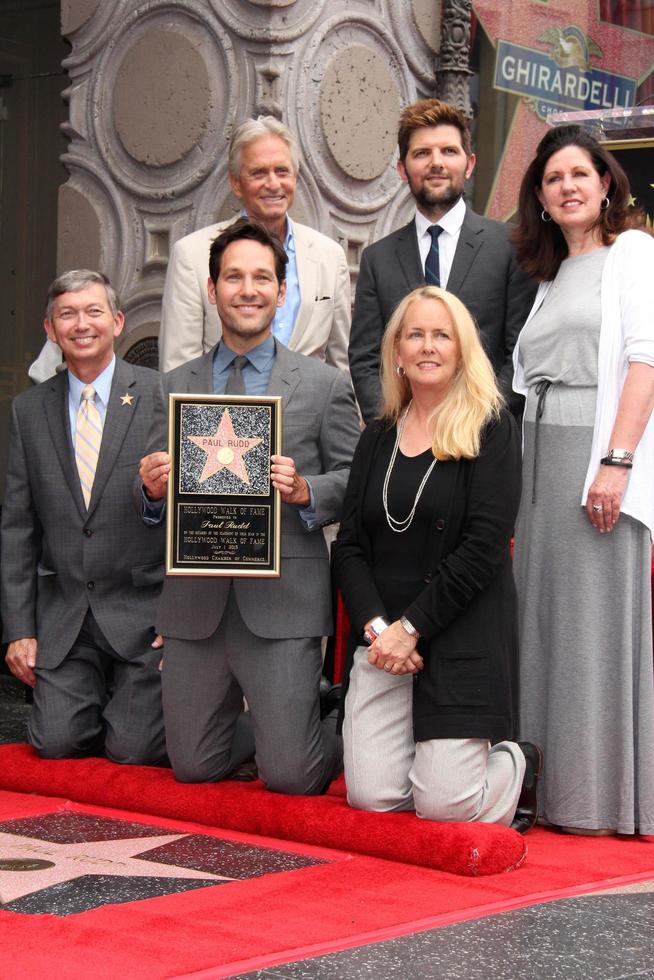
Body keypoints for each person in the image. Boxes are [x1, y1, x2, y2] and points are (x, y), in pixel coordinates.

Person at [138, 218, 361, 794]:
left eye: (262, 277)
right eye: (233, 277)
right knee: (191, 765)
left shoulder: (321, 384)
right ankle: (267, 731)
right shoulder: (173, 386)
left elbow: (354, 480)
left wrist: (308, 489)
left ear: (282, 292)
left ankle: (342, 731)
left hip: (283, 601)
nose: (248, 289)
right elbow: (152, 497)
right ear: (210, 291)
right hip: (196, 605)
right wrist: (151, 490)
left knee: (291, 776)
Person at [333, 285, 539, 829]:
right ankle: (438, 767)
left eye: (441, 335)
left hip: (458, 633)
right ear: (397, 352)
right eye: (415, 334)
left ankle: (518, 761)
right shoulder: (376, 437)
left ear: (461, 349)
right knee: (373, 798)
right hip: (383, 644)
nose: (428, 346)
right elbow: (350, 545)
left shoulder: (492, 428)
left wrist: (412, 628)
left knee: (445, 808)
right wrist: (381, 631)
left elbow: (483, 549)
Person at [511, 125, 654, 836]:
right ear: (538, 197)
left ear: (606, 184)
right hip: (538, 456)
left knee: (588, 627)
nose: (567, 186)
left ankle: (595, 799)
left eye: (580, 173)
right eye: (553, 178)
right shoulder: (548, 274)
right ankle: (544, 783)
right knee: (541, 620)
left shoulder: (634, 254)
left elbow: (646, 362)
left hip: (593, 454)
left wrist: (616, 462)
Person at [1, 270, 166, 764]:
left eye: (93, 311)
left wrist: (181, 616)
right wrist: (18, 629)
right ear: (50, 330)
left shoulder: (163, 395)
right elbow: (18, 526)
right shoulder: (28, 412)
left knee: (132, 749)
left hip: (144, 615)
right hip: (67, 616)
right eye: (67, 315)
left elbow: (194, 518)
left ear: (116, 322)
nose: (81, 324)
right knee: (56, 742)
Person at [348, 99, 536, 423]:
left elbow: (521, 352)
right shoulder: (377, 259)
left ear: (470, 163)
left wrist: (480, 423)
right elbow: (365, 360)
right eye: (422, 153)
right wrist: (397, 426)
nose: (436, 163)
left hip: (485, 439)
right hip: (404, 441)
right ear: (402, 169)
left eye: (449, 151)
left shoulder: (510, 247)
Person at [158, 115, 351, 373]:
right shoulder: (191, 255)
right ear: (236, 183)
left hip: (308, 412)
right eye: (259, 172)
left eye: (282, 171)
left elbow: (342, 367)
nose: (273, 184)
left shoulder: (330, 256)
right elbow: (178, 370)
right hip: (225, 410)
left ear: (294, 178)